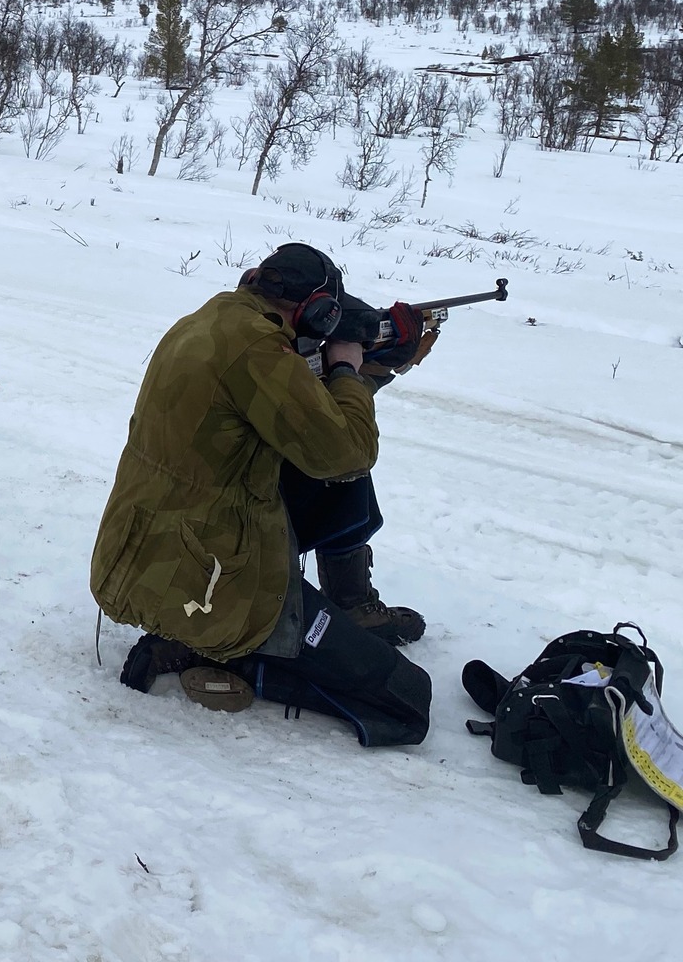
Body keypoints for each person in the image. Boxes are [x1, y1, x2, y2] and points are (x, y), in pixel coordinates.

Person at [90, 242, 432, 748]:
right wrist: (347, 369)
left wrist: (373, 365)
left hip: (152, 546)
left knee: (338, 484)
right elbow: (348, 451)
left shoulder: (213, 321)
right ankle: (233, 658)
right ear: (316, 310)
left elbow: (308, 416)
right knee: (406, 699)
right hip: (208, 571)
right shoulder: (259, 351)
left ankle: (347, 607)